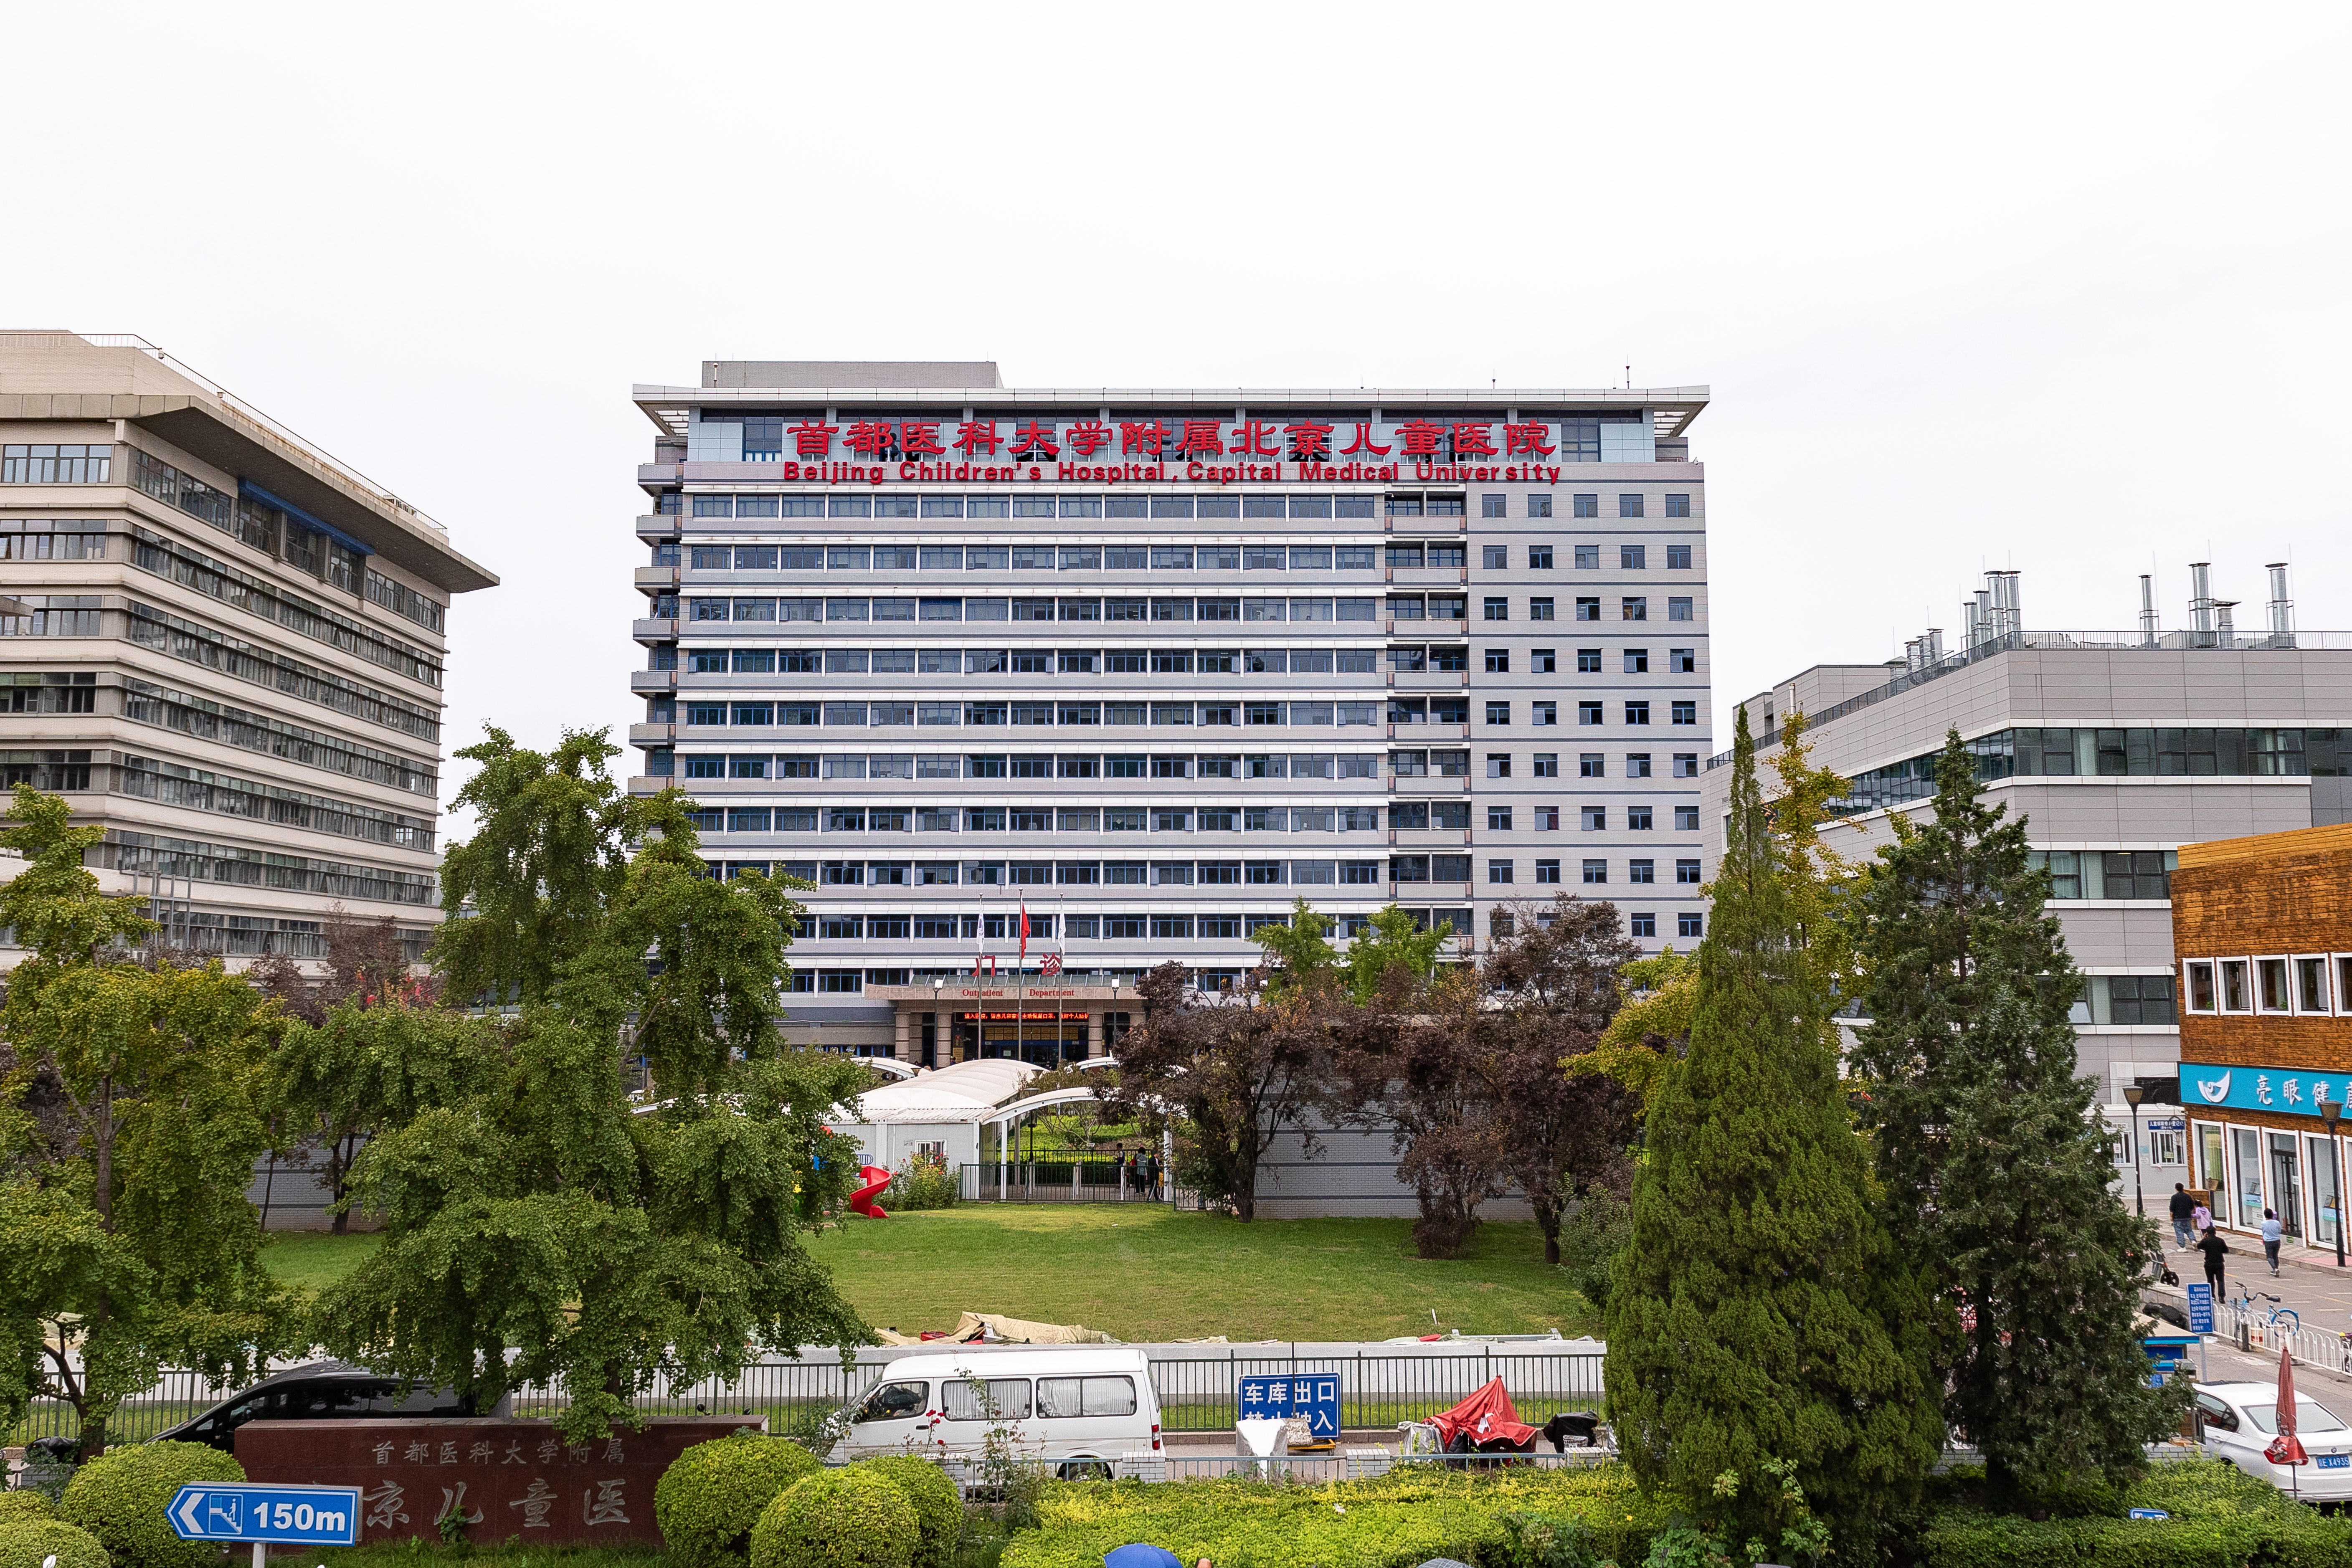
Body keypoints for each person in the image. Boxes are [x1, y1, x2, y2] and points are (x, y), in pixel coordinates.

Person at [2197, 1225, 2230, 1300]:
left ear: (2207, 1233)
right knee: (2221, 1280)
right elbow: (2226, 1250)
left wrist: (2204, 1238)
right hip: (2219, 1263)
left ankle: (2212, 1295)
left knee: (2210, 1280)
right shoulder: (2220, 1240)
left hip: (2209, 1263)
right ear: (2215, 1232)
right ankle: (2222, 1296)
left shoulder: (2206, 1241)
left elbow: (2199, 1247)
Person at [2170, 1183, 2197, 1249]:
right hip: (2187, 1216)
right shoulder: (2188, 1196)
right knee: (2189, 1230)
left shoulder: (2174, 1197)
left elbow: (2172, 1208)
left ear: (2176, 1189)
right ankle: (2193, 1240)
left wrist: (2171, 1217)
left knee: (2179, 1231)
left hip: (2178, 1217)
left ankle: (2182, 1247)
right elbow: (2192, 1206)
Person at [2263, 1208, 2284, 1275]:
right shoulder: (2277, 1223)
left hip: (2268, 1241)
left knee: (2269, 1257)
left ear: (2265, 1215)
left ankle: (2275, 1269)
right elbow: (2279, 1231)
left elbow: (2264, 1232)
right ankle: (2276, 1269)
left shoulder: (2264, 1223)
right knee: (2275, 1256)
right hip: (2277, 1241)